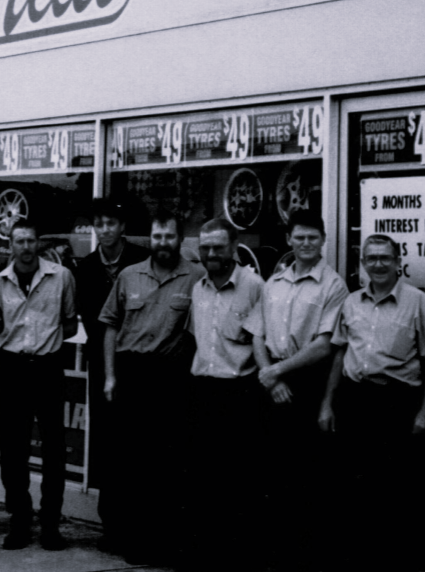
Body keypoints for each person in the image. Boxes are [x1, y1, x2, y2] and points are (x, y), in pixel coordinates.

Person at [319, 234, 425, 572]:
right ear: (362, 263)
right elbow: (339, 352)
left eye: (385, 258)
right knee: (354, 490)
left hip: (396, 403)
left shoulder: (417, 302)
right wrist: (328, 402)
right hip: (355, 401)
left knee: (398, 493)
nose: (378, 264)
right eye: (371, 259)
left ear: (398, 261)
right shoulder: (350, 303)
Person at [98, 207, 199, 564]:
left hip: (172, 378)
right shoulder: (128, 276)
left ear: (180, 238)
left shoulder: (196, 277)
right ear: (149, 239)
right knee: (132, 463)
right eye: (157, 236)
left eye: (169, 236)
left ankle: (164, 542)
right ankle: (132, 539)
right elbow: (110, 326)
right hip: (132, 375)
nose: (163, 243)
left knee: (168, 464)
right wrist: (111, 376)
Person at [254, 212, 348, 571]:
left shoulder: (333, 285)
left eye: (312, 237)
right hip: (272, 383)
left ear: (323, 240)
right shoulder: (273, 282)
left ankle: (304, 556)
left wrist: (278, 371)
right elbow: (257, 334)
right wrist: (271, 376)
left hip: (308, 381)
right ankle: (273, 553)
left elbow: (325, 344)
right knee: (271, 472)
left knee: (306, 476)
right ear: (289, 240)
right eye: (299, 237)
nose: (306, 243)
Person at [0, 219, 78, 551]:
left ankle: (51, 523)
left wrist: (44, 343)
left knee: (54, 449)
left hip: (48, 367)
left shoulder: (61, 276)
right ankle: (19, 521)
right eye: (19, 241)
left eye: (31, 241)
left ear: (39, 243)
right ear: (10, 245)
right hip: (13, 368)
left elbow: (68, 323)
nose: (25, 247)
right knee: (13, 449)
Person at [184, 217, 265, 572]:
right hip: (203, 390)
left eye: (218, 246)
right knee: (203, 478)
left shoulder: (254, 286)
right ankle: (206, 553)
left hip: (240, 393)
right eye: (205, 247)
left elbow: (264, 341)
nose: (211, 253)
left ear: (234, 247)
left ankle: (236, 557)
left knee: (238, 480)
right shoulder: (198, 287)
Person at [72, 197, 147, 538]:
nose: (105, 230)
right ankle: (111, 522)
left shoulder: (140, 261)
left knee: (135, 439)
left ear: (123, 228)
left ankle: (136, 518)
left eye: (111, 223)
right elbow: (87, 317)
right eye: (99, 224)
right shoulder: (85, 268)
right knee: (105, 440)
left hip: (135, 362)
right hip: (101, 365)